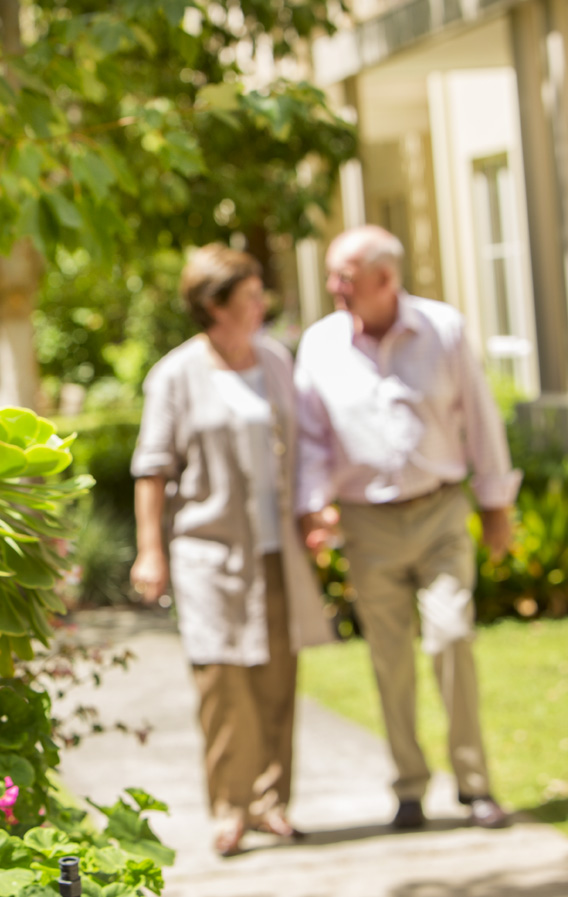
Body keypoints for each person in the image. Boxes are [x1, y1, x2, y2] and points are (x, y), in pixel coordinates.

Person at [294, 224, 518, 830]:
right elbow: (312, 439)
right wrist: (316, 505)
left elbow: (481, 417)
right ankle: (410, 788)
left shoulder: (442, 328)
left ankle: (475, 787)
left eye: (344, 275)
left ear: (384, 279)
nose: (332, 286)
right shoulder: (319, 345)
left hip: (440, 509)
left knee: (451, 637)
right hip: (367, 521)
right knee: (390, 658)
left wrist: (496, 503)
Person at [130, 244, 332, 857]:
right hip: (209, 554)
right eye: (248, 296)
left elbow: (304, 446)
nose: (260, 305)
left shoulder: (274, 360)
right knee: (222, 684)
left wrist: (316, 511)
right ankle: (229, 808)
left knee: (277, 679)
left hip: (277, 552)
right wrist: (150, 551)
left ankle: (273, 802)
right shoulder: (176, 374)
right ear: (213, 306)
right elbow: (152, 469)